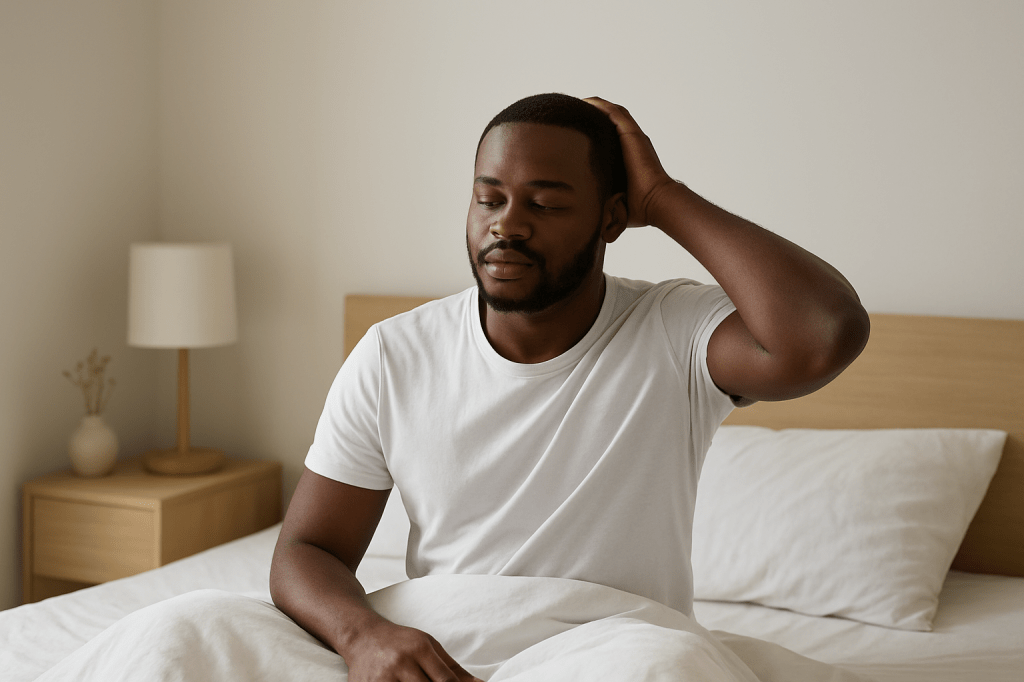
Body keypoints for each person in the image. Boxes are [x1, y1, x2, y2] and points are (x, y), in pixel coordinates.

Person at [269, 93, 870, 682]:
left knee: (664, 669)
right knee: (211, 624)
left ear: (611, 218)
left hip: (614, 650)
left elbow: (823, 335)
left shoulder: (673, 332)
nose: (507, 224)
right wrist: (365, 637)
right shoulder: (394, 353)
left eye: (546, 204)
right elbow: (307, 549)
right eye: (488, 199)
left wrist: (662, 198)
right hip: (435, 651)